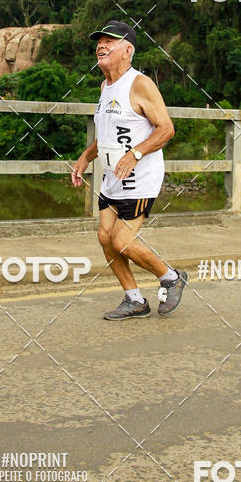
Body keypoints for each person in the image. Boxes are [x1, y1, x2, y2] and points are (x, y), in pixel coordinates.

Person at [71, 20, 188, 320]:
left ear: (127, 50)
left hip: (139, 177)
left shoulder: (140, 84)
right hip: (113, 178)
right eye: (99, 41)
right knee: (105, 237)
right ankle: (134, 299)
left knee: (122, 242)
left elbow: (166, 129)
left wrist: (135, 154)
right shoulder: (105, 86)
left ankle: (172, 278)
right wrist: (85, 158)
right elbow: (107, 134)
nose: (101, 45)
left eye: (109, 41)